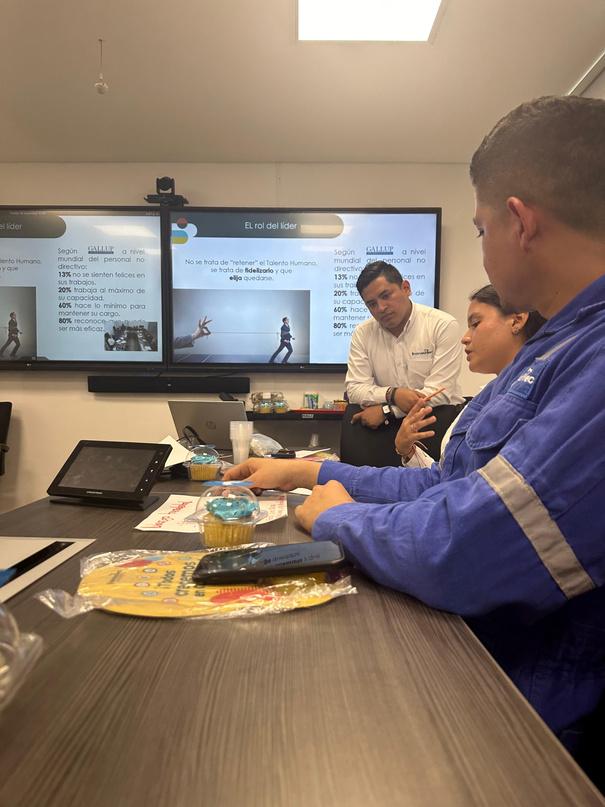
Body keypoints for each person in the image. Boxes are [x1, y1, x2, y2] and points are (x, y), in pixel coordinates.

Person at [225, 96, 605, 755]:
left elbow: (468, 544)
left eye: (480, 230)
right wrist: (307, 471)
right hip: (485, 658)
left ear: (519, 222)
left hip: (531, 716)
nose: (481, 249)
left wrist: (339, 518)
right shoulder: (554, 347)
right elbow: (448, 487)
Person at [396, 285, 546, 466]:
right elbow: (450, 475)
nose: (465, 338)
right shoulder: (486, 395)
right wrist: (408, 451)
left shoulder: (534, 399)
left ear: (517, 321)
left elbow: (471, 480)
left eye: (475, 324)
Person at [342, 261, 465, 464]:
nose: (381, 308)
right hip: (382, 433)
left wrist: (387, 410)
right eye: (372, 304)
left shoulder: (442, 325)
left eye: (386, 295)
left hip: (436, 423)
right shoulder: (362, 333)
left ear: (406, 288)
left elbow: (440, 392)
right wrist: (393, 394)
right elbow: (355, 389)